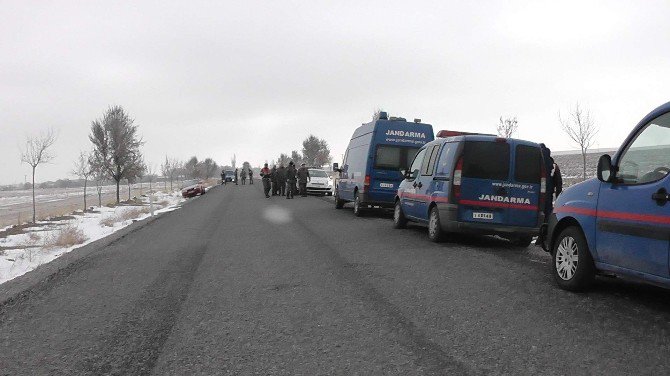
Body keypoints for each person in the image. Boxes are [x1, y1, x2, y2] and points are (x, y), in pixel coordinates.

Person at [540, 144, 554, 220]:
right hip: (549, 187)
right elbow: (557, 180)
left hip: (540, 186)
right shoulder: (551, 162)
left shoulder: (539, 159)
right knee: (548, 207)